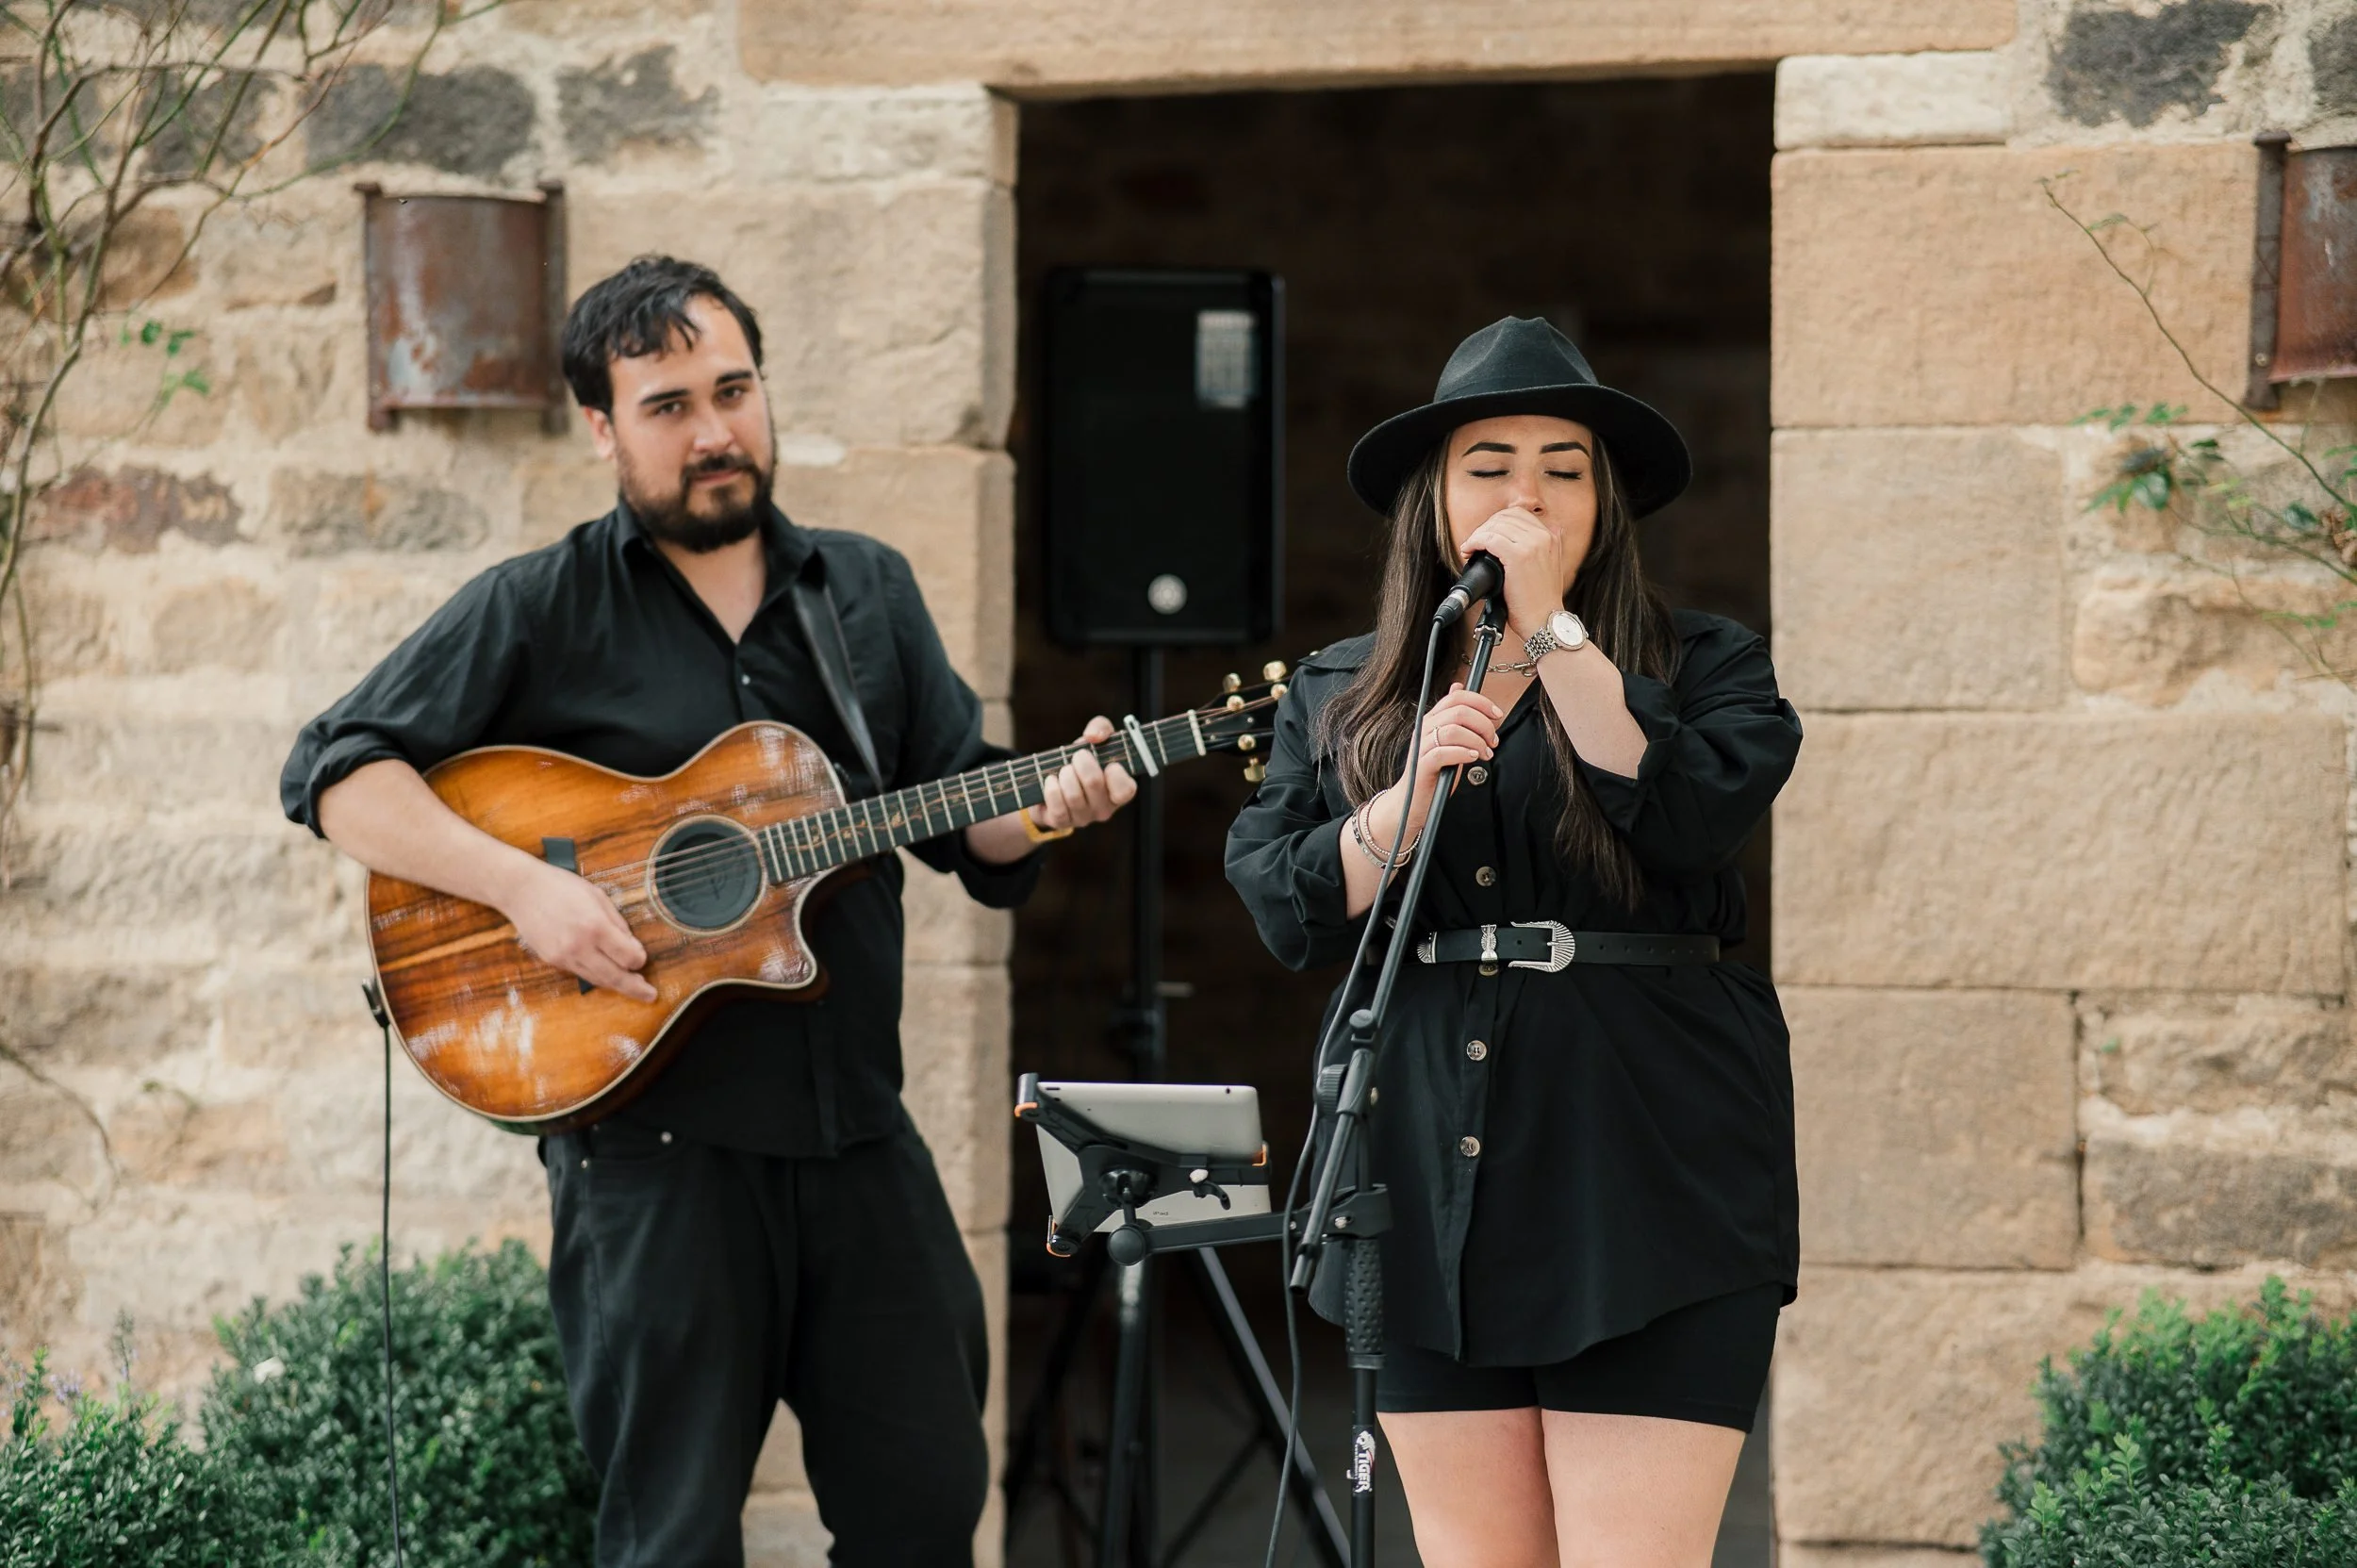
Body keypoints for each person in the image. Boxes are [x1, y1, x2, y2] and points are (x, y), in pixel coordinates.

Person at [280, 256, 1136, 1568]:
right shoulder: (543, 606)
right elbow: (336, 772)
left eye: (732, 389)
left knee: (925, 1506)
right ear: (602, 429)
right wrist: (527, 887)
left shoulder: (867, 596)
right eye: (669, 404)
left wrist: (1057, 803)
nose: (715, 430)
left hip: (857, 1139)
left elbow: (969, 813)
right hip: (652, 1168)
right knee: (670, 1541)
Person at [1225, 316, 1802, 1568]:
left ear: (1607, 501)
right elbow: (1288, 902)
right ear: (1438, 499)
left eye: (1563, 465)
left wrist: (1553, 630)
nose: (1525, 493)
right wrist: (1408, 792)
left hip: (1649, 1164)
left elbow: (1694, 815)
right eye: (1488, 462)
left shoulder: (1706, 662)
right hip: (1433, 1172)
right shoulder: (1342, 690)